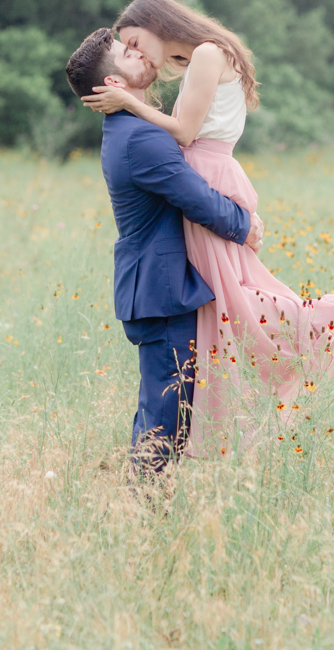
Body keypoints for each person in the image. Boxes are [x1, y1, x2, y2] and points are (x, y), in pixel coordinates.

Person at [81, 0, 334, 455]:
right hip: (208, 182)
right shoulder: (200, 61)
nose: (138, 51)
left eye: (136, 40)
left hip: (209, 179)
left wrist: (240, 221)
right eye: (128, 49)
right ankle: (330, 322)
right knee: (234, 300)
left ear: (155, 22)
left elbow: (184, 136)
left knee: (237, 299)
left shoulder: (204, 55)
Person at [65, 27, 264, 474]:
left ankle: (139, 510)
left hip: (154, 286)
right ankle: (143, 515)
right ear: (114, 84)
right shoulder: (140, 137)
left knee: (160, 409)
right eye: (128, 53)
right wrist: (245, 224)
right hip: (163, 289)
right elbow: (195, 197)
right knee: (165, 418)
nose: (140, 54)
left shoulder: (131, 128)